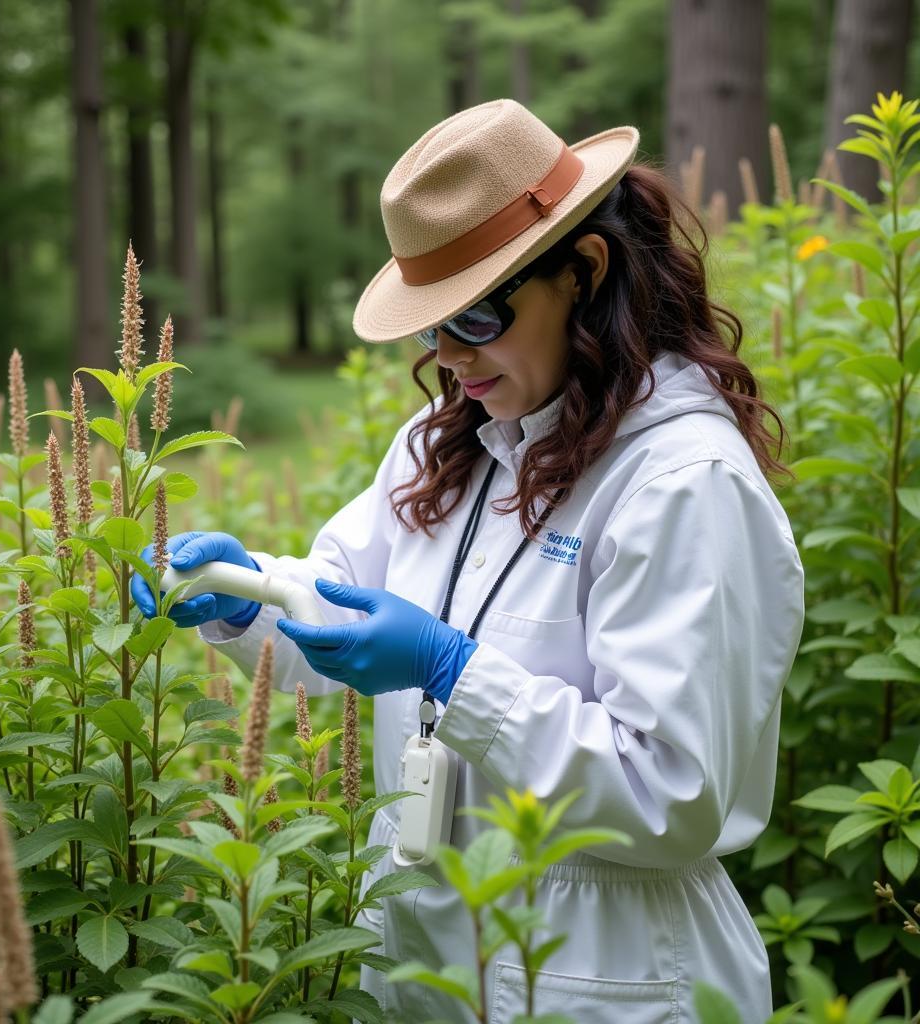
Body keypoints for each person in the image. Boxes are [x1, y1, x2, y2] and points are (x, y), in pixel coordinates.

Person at [132, 98, 805, 1023]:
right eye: (429, 326)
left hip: (606, 969)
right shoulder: (445, 442)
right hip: (424, 957)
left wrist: (455, 672)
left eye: (476, 318)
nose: (447, 359)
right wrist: (240, 595)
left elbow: (672, 795)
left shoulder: (683, 482)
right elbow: (343, 608)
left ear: (585, 271)